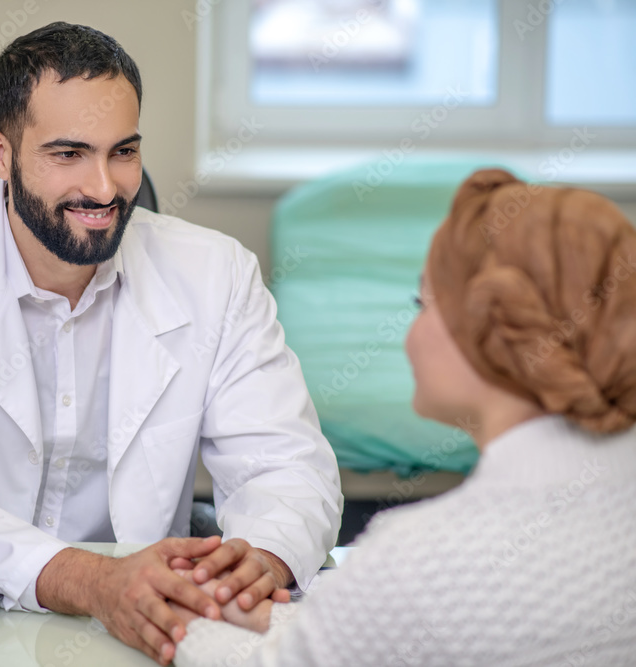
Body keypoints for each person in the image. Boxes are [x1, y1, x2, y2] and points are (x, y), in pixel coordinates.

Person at [0, 21, 343, 665]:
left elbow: (286, 465)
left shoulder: (216, 273)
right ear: (2, 153)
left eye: (123, 152)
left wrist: (254, 566)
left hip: (152, 627)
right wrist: (97, 583)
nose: (103, 189)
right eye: (68, 154)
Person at [171, 169, 636, 666]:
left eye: (421, 303)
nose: (409, 332)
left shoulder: (419, 562)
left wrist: (181, 615)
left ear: (487, 329)